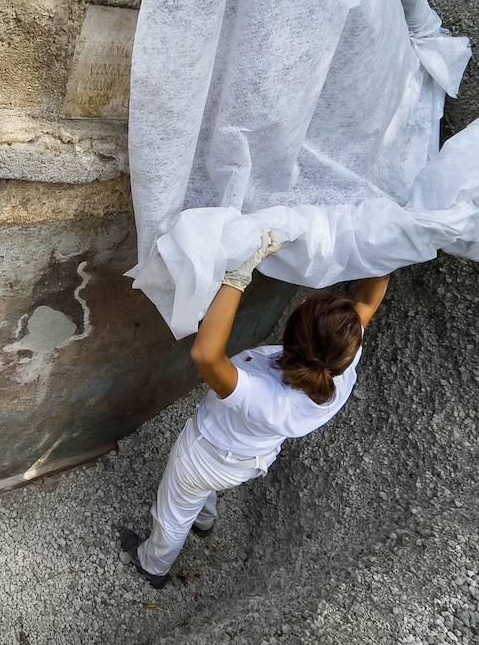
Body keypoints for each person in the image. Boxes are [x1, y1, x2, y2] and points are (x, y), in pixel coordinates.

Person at [120, 235, 391, 588]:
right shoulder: (340, 363)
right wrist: (391, 246)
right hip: (249, 458)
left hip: (205, 455)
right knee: (202, 493)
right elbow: (367, 303)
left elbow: (206, 355)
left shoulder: (264, 396)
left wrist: (237, 278)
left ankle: (152, 565)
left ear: (293, 336)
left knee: (172, 512)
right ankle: (204, 522)